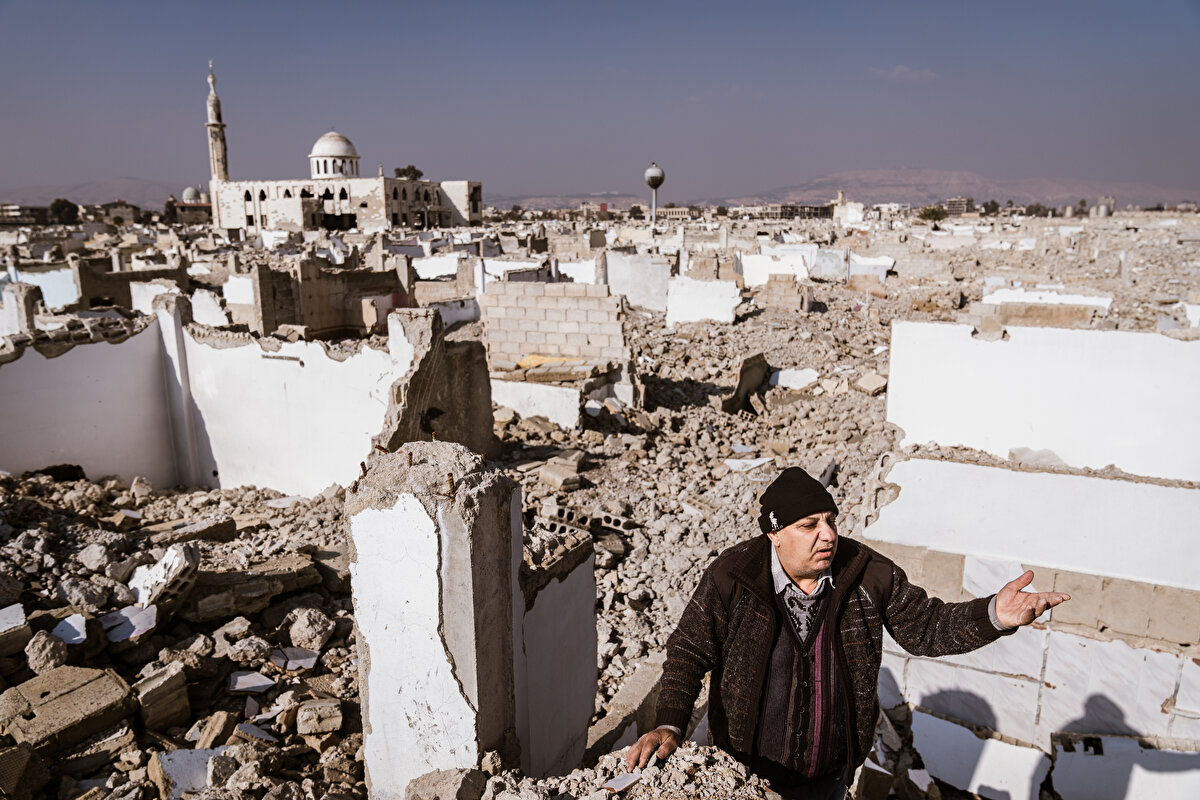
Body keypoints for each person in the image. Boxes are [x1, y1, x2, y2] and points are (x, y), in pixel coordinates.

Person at [625, 467, 1069, 799]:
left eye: (830, 520)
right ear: (774, 533)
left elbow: (927, 629)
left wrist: (994, 614)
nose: (828, 535)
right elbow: (688, 650)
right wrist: (670, 722)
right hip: (746, 774)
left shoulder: (868, 574)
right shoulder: (734, 576)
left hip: (829, 778)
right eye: (809, 525)